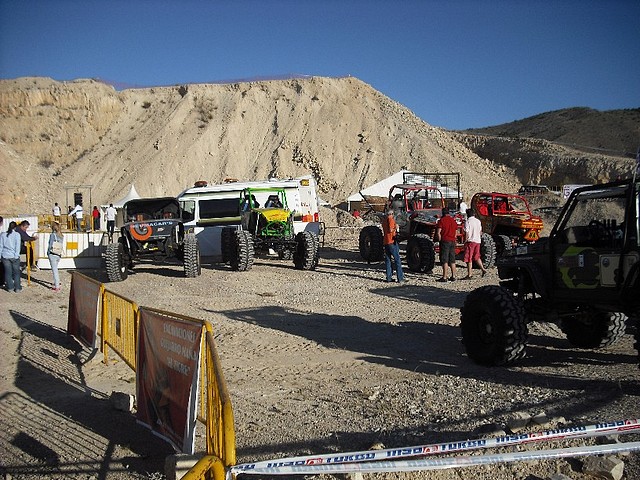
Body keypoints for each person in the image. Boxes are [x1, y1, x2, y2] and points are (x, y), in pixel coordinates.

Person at [462, 209, 487, 279]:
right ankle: (483, 269)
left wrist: (465, 241)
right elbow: (480, 231)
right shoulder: (478, 221)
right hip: (477, 241)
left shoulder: (468, 222)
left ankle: (469, 274)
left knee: (469, 258)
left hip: (470, 241)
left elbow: (467, 232)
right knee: (477, 256)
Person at [381, 209, 405, 283]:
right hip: (391, 241)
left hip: (386, 241)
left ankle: (389, 277)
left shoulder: (384, 221)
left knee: (388, 260)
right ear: (391, 214)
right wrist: (396, 227)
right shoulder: (391, 220)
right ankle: (400, 278)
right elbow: (391, 229)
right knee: (397, 260)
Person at [435, 207, 458, 282]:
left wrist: (439, 240)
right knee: (452, 259)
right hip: (452, 240)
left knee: (444, 259)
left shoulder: (441, 221)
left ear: (443, 213)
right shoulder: (453, 220)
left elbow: (438, 232)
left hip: (445, 240)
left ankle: (444, 277)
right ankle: (453, 276)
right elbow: (456, 231)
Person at [1, 221, 22, 292]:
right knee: (16, 272)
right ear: (15, 227)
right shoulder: (17, 235)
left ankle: (10, 287)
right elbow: (17, 247)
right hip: (14, 255)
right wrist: (16, 256)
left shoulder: (3, 235)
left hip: (5, 255)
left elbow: (1, 246)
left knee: (8, 272)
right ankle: (17, 287)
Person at [47, 221, 64, 292]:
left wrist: (48, 252)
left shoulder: (52, 235)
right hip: (58, 254)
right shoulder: (61, 235)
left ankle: (57, 286)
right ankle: (57, 283)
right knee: (56, 269)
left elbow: (50, 245)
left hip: (52, 253)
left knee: (54, 271)